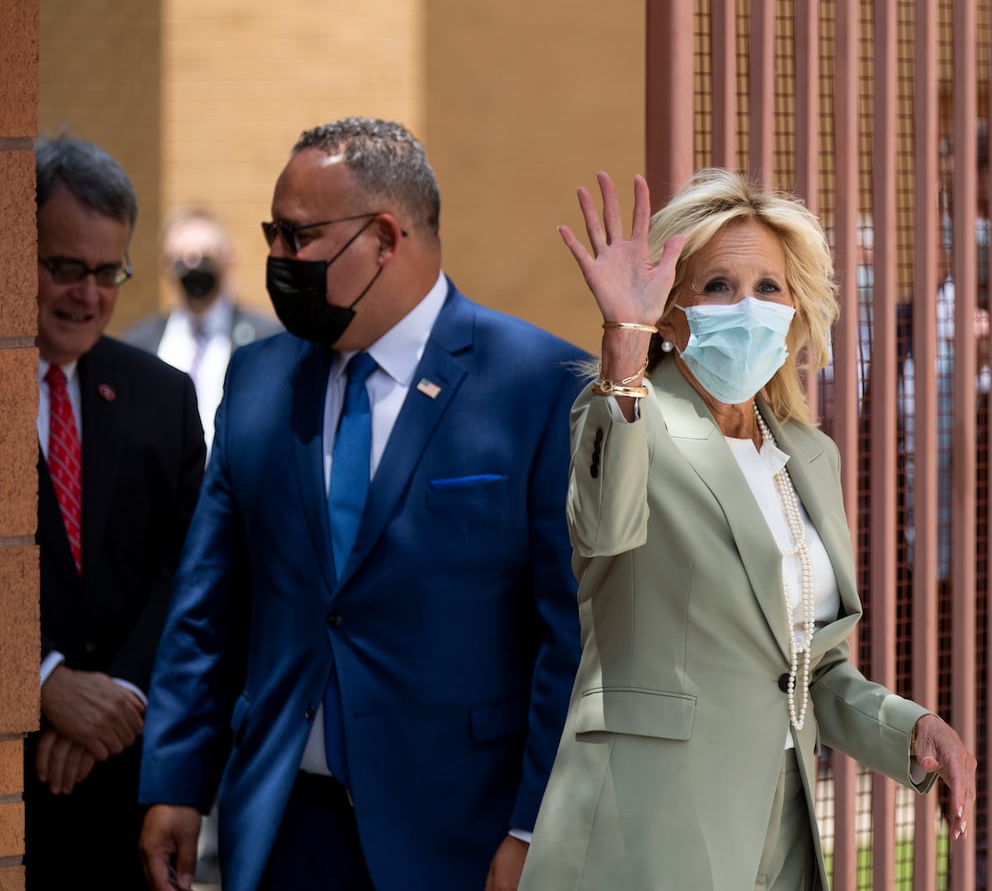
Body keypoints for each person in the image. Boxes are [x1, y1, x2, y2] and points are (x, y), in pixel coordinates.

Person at [137, 117, 587, 891]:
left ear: (386, 237)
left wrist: (531, 825)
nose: (278, 259)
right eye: (271, 234)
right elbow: (207, 604)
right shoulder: (256, 382)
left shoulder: (538, 383)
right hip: (281, 826)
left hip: (460, 833)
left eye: (299, 237)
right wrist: (176, 778)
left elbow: (570, 632)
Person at [520, 169, 977, 891]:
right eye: (717, 286)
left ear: (796, 309)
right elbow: (602, 534)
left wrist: (910, 729)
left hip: (778, 825)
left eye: (769, 287)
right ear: (669, 314)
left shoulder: (808, 455)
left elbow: (809, 669)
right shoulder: (626, 418)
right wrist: (623, 353)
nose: (748, 307)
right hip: (649, 826)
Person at [25, 138, 206, 890]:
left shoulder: (161, 395)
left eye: (109, 273)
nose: (88, 295)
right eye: (65, 268)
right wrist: (40, 679)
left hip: (124, 795)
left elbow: (191, 566)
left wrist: (120, 695)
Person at [122, 206, 281, 452]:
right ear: (165, 265)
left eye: (205, 258)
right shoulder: (138, 344)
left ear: (228, 258)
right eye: (182, 260)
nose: (194, 268)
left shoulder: (269, 340)